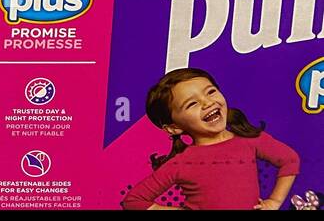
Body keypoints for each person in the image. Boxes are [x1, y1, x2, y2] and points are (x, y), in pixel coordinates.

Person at [122, 69, 298, 211]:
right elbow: (134, 201)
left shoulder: (251, 141)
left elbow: (290, 160)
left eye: (211, 92)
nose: (207, 103)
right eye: (192, 104)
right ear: (174, 127)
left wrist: (274, 201)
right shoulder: (181, 163)